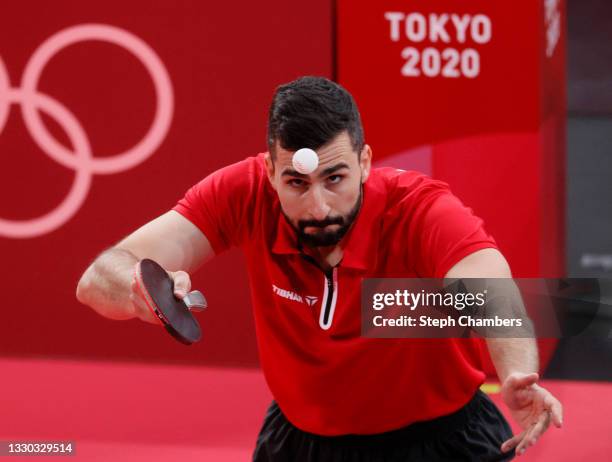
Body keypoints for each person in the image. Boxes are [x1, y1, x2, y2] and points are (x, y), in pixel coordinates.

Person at [76, 76, 563, 461]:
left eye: (335, 178)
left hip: (440, 442)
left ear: (365, 161)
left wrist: (517, 372)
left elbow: (488, 283)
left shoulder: (418, 208)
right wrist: (142, 287)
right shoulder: (243, 194)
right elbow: (99, 277)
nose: (318, 207)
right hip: (301, 444)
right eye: (296, 183)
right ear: (269, 170)